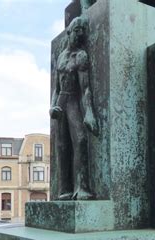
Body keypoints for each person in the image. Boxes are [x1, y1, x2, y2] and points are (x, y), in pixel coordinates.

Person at [50, 16, 98, 200]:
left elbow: (86, 89)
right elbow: (57, 88)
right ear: (69, 32)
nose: (80, 34)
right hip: (61, 104)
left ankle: (82, 187)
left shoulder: (81, 55)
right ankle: (65, 189)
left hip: (73, 102)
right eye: (77, 30)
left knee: (80, 140)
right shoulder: (61, 56)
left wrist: (90, 113)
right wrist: (52, 107)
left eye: (82, 31)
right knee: (62, 147)